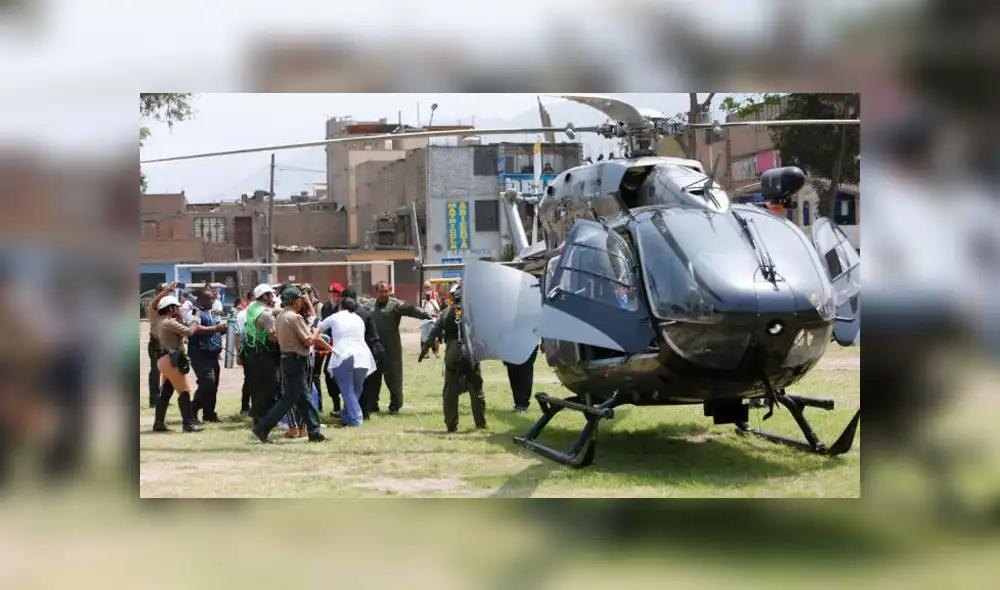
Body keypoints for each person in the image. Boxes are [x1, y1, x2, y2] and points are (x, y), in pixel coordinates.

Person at [251, 287, 331, 444]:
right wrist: (316, 330)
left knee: (304, 398)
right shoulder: (295, 318)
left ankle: (314, 432)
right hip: (296, 361)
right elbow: (308, 340)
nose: (302, 302)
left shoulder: (280, 316)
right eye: (301, 300)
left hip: (288, 360)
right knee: (289, 400)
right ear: (296, 301)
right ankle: (262, 427)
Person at [150, 286, 225, 433]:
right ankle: (188, 424)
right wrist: (196, 318)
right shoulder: (169, 322)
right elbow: (189, 332)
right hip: (171, 360)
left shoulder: (163, 320)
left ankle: (158, 423)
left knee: (166, 391)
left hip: (164, 359)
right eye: (176, 307)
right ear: (170, 308)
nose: (178, 309)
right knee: (184, 392)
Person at [418, 283, 487, 433]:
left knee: (450, 392)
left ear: (453, 297)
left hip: (453, 353)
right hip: (470, 353)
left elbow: (432, 336)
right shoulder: (474, 313)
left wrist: (424, 351)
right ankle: (480, 423)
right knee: (476, 389)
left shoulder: (445, 313)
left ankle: (451, 426)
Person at [368, 280, 432, 415]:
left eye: (386, 291)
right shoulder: (370, 306)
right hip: (375, 345)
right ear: (376, 292)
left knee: (393, 377)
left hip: (392, 346)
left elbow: (411, 310)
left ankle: (395, 405)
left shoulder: (395, 305)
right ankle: (372, 405)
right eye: (381, 291)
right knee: (373, 377)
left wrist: (426, 314)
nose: (384, 294)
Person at [316, 296, 375, 427]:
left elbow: (319, 327)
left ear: (340, 306)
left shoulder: (335, 316)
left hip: (343, 355)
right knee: (356, 389)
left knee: (347, 390)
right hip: (363, 356)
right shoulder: (358, 318)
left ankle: (356, 419)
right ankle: (346, 415)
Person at [242, 284, 283, 427]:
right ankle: (258, 413)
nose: (273, 297)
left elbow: (272, 310)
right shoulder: (266, 316)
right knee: (274, 385)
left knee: (257, 386)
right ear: (265, 296)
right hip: (265, 352)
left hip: (251, 351)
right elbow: (273, 336)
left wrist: (283, 310)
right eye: (271, 295)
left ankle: (258, 418)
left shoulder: (253, 306)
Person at [342, 286, 385, 419]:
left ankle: (353, 411)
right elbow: (373, 335)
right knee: (364, 383)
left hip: (351, 353)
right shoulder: (365, 313)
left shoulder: (345, 315)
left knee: (351, 383)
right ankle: (363, 411)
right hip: (366, 352)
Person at [189, 288, 224, 423]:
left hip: (213, 354)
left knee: (213, 385)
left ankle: (209, 414)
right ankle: (192, 409)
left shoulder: (210, 313)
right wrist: (215, 328)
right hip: (200, 354)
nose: (212, 301)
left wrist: (223, 329)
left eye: (213, 298)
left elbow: (213, 330)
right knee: (207, 382)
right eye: (209, 298)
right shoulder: (195, 312)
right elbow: (195, 328)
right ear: (200, 300)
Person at [319, 283, 344, 415]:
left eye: (337, 294)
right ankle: (336, 404)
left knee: (342, 374)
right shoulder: (326, 307)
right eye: (333, 294)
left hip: (341, 346)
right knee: (328, 373)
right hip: (329, 346)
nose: (335, 297)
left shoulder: (343, 308)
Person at [146, 282, 171, 408]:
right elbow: (156, 302)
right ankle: (154, 400)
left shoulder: (167, 306)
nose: (166, 294)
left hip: (166, 342)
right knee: (155, 372)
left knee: (167, 371)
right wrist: (167, 290)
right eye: (162, 291)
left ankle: (164, 397)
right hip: (156, 342)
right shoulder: (153, 304)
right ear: (157, 292)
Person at [234, 290, 253, 416]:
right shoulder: (242, 315)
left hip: (262, 352)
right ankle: (245, 407)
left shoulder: (265, 312)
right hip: (248, 352)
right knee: (249, 380)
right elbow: (237, 336)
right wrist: (239, 354)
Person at [504, 345, 538, 412]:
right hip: (510, 344)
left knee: (525, 370)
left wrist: (544, 341)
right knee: (512, 371)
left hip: (528, 343)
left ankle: (523, 404)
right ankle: (519, 403)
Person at [420, 287, 442, 359]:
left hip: (432, 321)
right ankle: (426, 354)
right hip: (424, 322)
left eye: (428, 295)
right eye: (426, 295)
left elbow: (438, 310)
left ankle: (436, 353)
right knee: (424, 339)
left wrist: (432, 303)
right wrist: (424, 304)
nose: (427, 296)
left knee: (435, 338)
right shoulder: (422, 301)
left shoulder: (433, 301)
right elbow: (420, 311)